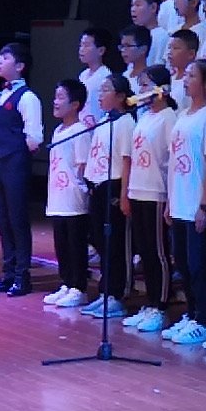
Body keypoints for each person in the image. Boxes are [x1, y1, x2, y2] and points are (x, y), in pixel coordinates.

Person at [162, 60, 206, 345]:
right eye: (185, 75)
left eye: (192, 75)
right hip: (178, 200)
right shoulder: (182, 115)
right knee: (183, 263)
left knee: (199, 264)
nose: (186, 80)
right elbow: (174, 160)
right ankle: (190, 313)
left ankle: (203, 320)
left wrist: (205, 204)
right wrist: (169, 201)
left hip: (196, 202)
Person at [121, 67, 177, 335]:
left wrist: (170, 199)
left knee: (158, 252)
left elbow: (172, 160)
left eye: (146, 85)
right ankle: (150, 302)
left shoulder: (169, 118)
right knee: (144, 251)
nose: (141, 91)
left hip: (156, 191)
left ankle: (161, 306)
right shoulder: (143, 117)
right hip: (138, 189)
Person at [0, 43, 43, 298]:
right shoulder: (0, 95)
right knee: (1, 217)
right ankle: (8, 273)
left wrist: (18, 151)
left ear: (20, 66)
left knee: (17, 218)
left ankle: (22, 276)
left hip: (16, 162)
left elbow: (34, 137)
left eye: (5, 57)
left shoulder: (28, 98)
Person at [79, 74, 134, 320]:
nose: (100, 95)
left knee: (116, 243)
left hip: (115, 185)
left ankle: (117, 294)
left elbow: (126, 160)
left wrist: (124, 194)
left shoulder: (126, 123)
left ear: (120, 96)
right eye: (99, 90)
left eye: (105, 90)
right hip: (98, 186)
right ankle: (105, 291)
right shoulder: (104, 121)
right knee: (101, 241)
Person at [41, 79, 93, 309]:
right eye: (55, 96)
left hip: (73, 198)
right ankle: (67, 282)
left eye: (61, 97)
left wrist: (79, 187)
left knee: (75, 244)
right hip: (57, 197)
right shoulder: (58, 130)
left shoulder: (80, 131)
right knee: (61, 244)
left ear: (75, 104)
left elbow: (83, 165)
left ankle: (79, 287)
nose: (55, 101)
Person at [129, 0, 170, 68]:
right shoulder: (134, 35)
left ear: (153, 7)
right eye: (132, 5)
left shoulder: (163, 37)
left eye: (138, 5)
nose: (133, 9)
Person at [119, 25, 156, 96]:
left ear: (143, 49)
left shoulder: (150, 80)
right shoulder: (124, 75)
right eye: (122, 46)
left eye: (128, 46)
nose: (123, 50)